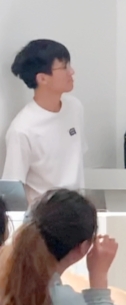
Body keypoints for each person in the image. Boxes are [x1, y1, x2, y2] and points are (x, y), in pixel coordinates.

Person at [3, 40, 85, 207]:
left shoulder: (74, 107)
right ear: (42, 78)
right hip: (45, 217)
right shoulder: (22, 129)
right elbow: (12, 188)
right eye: (64, 67)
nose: (72, 72)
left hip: (78, 210)